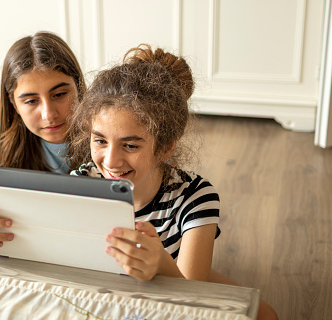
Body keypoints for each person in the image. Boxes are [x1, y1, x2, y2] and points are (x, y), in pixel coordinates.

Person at [67, 44, 277, 320]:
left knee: (264, 315)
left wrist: (161, 266)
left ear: (166, 148)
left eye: (130, 146)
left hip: (176, 290)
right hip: (110, 295)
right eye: (100, 141)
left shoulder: (195, 197)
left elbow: (189, 300)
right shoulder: (80, 185)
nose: (111, 160)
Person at [0, 31, 85, 252]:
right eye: (31, 101)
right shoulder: (7, 139)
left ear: (78, 85)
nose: (49, 114)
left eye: (59, 94)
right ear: (13, 103)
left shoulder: (106, 136)